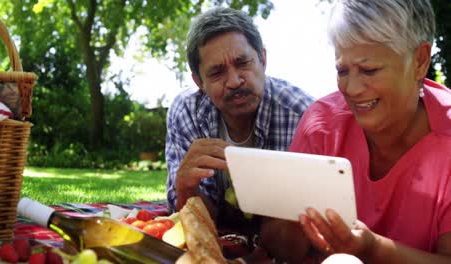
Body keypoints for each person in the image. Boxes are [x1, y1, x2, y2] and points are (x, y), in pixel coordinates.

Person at [283, 0, 451, 263]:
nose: (352, 88)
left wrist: (373, 250)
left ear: (419, 61)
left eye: (369, 70)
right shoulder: (322, 125)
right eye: (342, 71)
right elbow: (280, 243)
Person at [165, 6, 313, 257]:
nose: (234, 81)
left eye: (243, 63)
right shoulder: (186, 111)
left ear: (263, 59)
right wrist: (185, 185)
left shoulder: (302, 115)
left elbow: (297, 239)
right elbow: (190, 216)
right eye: (217, 72)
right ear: (199, 82)